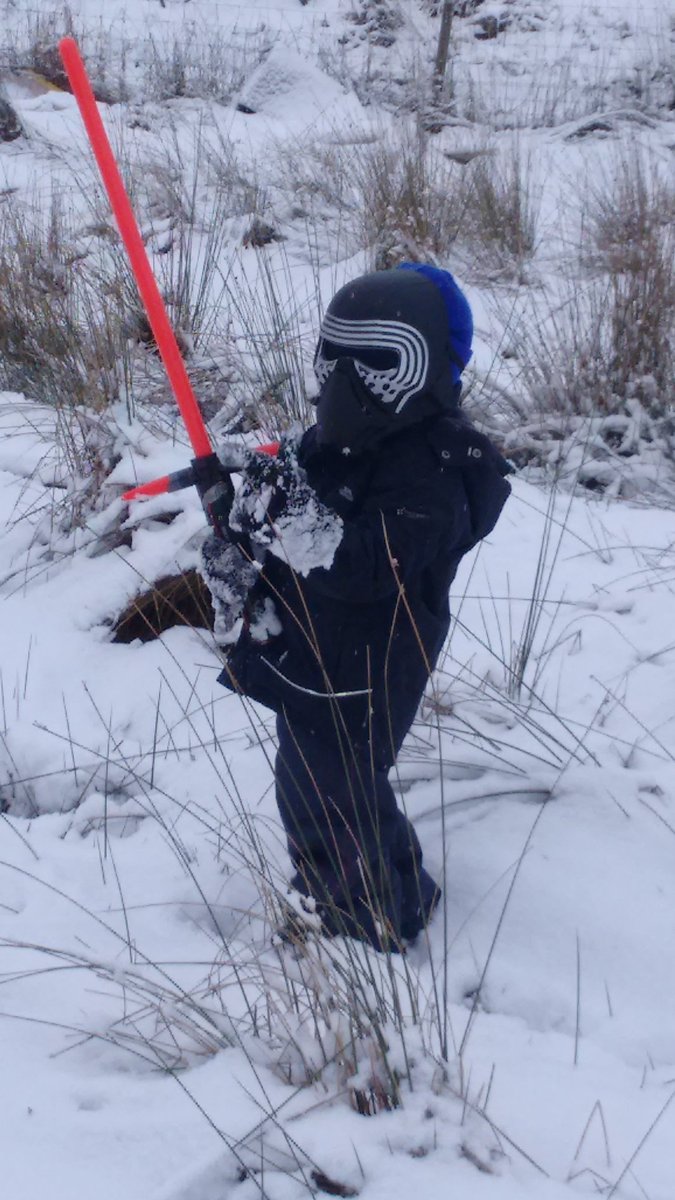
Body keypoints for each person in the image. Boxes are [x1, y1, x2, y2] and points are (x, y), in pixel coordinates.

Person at [200, 264, 512, 952]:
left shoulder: (436, 476)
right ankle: (367, 892)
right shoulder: (343, 444)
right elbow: (296, 494)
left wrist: (279, 506)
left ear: (427, 366)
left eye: (375, 361)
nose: (344, 380)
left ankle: (368, 916)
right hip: (317, 651)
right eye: (333, 356)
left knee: (333, 796)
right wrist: (242, 499)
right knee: (315, 787)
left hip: (372, 667)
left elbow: (358, 564)